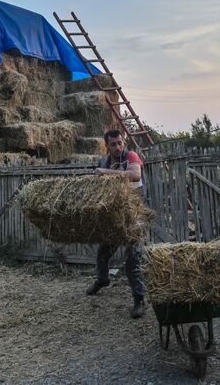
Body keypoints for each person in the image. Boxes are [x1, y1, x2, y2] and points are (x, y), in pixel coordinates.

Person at [88, 129, 146, 318]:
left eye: (120, 142)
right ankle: (102, 280)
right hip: (113, 217)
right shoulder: (104, 161)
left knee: (132, 261)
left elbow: (135, 175)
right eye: (113, 144)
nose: (118, 147)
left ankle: (139, 301)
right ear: (107, 145)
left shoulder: (130, 156)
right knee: (103, 253)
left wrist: (105, 172)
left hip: (133, 216)